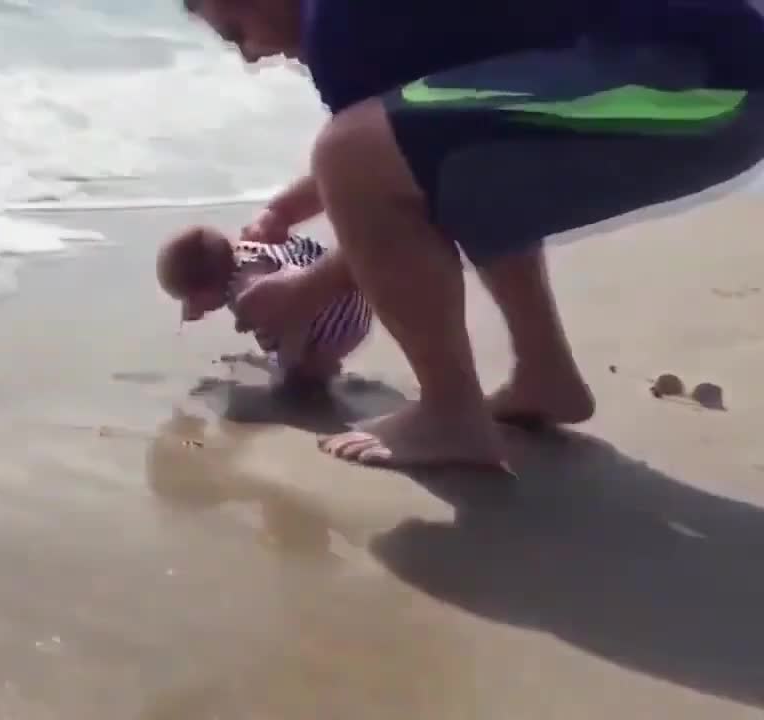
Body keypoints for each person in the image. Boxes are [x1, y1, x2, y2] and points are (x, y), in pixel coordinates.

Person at [183, 0, 764, 469]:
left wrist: (305, 290)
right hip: (703, 73)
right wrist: (289, 207)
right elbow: (418, 138)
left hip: (701, 81)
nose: (254, 56)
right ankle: (545, 375)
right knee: (458, 164)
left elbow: (371, 168)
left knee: (370, 157)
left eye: (237, 31)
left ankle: (449, 413)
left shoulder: (339, 23)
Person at [157, 224, 373, 387]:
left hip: (341, 320)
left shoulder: (247, 290)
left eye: (188, 298)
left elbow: (297, 298)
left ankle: (318, 369)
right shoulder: (243, 255)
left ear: (203, 292)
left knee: (298, 375)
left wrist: (291, 362)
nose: (189, 306)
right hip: (346, 286)